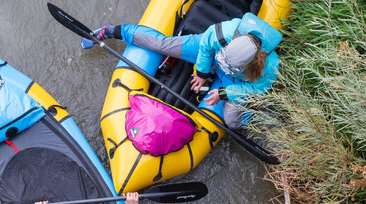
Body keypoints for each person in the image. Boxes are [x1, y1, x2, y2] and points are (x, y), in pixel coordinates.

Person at [84, 14, 281, 129]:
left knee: (232, 121)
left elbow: (257, 90)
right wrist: (203, 73)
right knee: (163, 45)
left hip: (235, 82)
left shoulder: (269, 67)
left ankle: (251, 115)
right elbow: (205, 46)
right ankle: (111, 31)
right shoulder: (226, 32)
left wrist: (224, 93)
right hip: (214, 54)